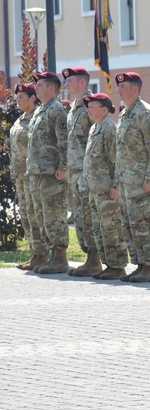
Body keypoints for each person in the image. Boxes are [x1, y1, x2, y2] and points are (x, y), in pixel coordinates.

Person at [113, 71, 150, 283]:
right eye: (119, 87)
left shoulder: (146, 113)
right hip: (127, 183)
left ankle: (149, 267)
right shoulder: (125, 114)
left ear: (135, 89)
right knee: (130, 225)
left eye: (123, 87)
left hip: (143, 183)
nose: (119, 90)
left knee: (143, 225)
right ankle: (139, 265)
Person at [26, 71, 70, 275]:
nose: (37, 88)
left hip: (52, 173)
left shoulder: (57, 110)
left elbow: (64, 141)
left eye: (41, 84)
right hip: (37, 172)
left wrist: (64, 167)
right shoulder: (40, 110)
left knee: (54, 215)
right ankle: (49, 255)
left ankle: (60, 258)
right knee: (42, 215)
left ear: (52, 88)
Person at [82, 92, 128, 280]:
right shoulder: (95, 128)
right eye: (88, 106)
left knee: (111, 228)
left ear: (104, 109)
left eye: (92, 106)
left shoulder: (109, 129)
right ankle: (108, 264)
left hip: (107, 189)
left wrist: (116, 185)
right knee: (99, 228)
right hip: (95, 189)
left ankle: (117, 265)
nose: (88, 110)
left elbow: (116, 160)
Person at [61, 67, 101, 276]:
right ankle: (89, 257)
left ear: (83, 83)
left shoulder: (90, 106)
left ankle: (95, 259)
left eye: (71, 81)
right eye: (66, 81)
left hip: (87, 172)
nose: (66, 84)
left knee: (89, 215)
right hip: (74, 172)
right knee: (80, 216)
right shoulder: (75, 107)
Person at [11, 83, 43, 271]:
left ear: (33, 98)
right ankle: (36, 253)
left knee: (35, 214)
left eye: (21, 97)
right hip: (20, 176)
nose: (18, 101)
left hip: (32, 175)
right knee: (26, 215)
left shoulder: (37, 119)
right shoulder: (21, 119)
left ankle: (42, 253)